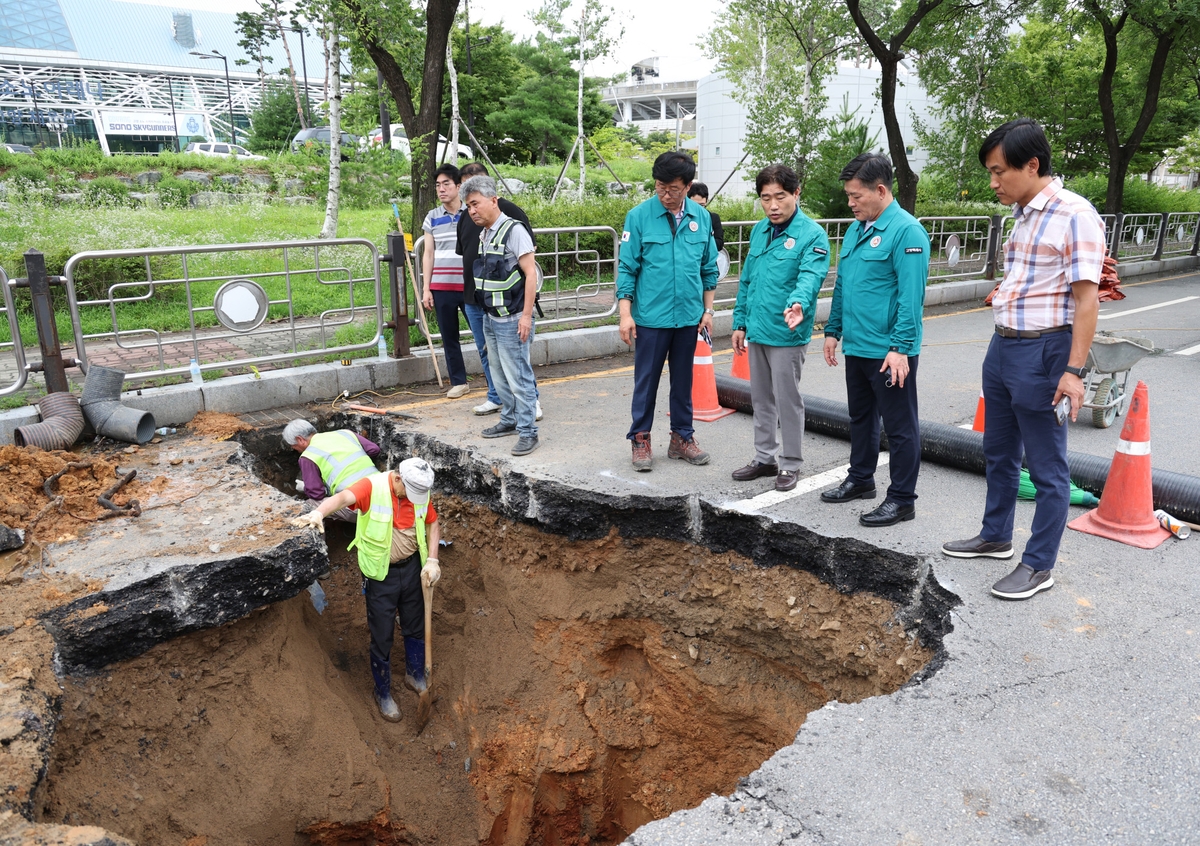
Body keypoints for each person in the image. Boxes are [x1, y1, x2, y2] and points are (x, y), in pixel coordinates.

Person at [943, 118, 1104, 601]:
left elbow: (1087, 300)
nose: (992, 182)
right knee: (999, 451)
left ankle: (1038, 565)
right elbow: (1031, 277)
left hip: (1044, 350)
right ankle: (995, 536)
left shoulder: (1075, 214)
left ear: (1032, 165)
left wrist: (1073, 373)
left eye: (998, 172)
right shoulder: (1026, 212)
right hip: (1004, 346)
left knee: (1047, 467)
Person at [818, 153, 928, 527]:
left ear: (880, 190)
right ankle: (861, 479)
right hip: (858, 346)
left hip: (889, 352)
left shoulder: (907, 231)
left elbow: (911, 298)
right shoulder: (855, 230)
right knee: (860, 418)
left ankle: (901, 499)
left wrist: (900, 349)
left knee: (900, 428)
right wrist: (833, 331)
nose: (850, 203)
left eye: (856, 196)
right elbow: (844, 285)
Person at [291, 458, 441, 722]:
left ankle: (414, 674)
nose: (416, 498)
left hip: (412, 568)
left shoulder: (419, 490)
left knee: (415, 624)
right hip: (380, 575)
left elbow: (432, 522)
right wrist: (319, 513)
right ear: (397, 479)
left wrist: (433, 560)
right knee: (382, 634)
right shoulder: (371, 488)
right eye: (411, 492)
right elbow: (341, 498)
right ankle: (382, 692)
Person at [618, 151, 719, 471]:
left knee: (683, 380)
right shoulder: (639, 216)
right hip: (651, 318)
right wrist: (625, 313)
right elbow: (627, 268)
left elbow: (708, 268)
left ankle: (681, 438)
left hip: (689, 317)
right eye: (660, 186)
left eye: (673, 188)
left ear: (688, 186)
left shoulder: (701, 218)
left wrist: (708, 310)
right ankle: (641, 439)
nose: (665, 193)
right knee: (645, 381)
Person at [732, 164, 830, 491]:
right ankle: (764, 458)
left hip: (788, 331)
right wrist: (739, 322)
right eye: (765, 198)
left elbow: (809, 277)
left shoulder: (811, 234)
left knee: (787, 400)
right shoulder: (759, 230)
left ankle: (790, 463)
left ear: (796, 194)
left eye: (780, 197)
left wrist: (799, 303)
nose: (773, 205)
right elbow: (747, 280)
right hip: (758, 328)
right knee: (760, 398)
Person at [461, 175, 541, 456]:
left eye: (475, 203)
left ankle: (528, 431)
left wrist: (526, 317)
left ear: (493, 200)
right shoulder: (485, 232)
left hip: (512, 316)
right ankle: (508, 420)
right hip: (489, 316)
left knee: (519, 375)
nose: (471, 210)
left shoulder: (513, 230)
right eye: (468, 206)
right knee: (498, 373)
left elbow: (531, 274)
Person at [421, 163, 470, 399]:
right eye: (438, 185)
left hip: (469, 286)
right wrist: (426, 288)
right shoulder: (432, 217)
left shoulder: (471, 212)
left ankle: (496, 382)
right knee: (449, 337)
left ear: (458, 186)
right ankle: (459, 381)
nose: (441, 189)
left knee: (483, 335)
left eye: (446, 184)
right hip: (441, 287)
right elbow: (428, 254)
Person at [283, 419, 380, 521]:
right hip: (385, 492)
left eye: (294, 446)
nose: (296, 450)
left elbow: (316, 494)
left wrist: (305, 488)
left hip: (360, 505)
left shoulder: (307, 457)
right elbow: (374, 449)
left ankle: (321, 535)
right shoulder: (345, 433)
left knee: (309, 505)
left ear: (300, 439)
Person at [687, 182, 725, 251]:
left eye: (702, 205)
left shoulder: (713, 218)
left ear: (706, 201)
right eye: (694, 205)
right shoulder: (682, 218)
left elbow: (719, 244)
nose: (698, 209)